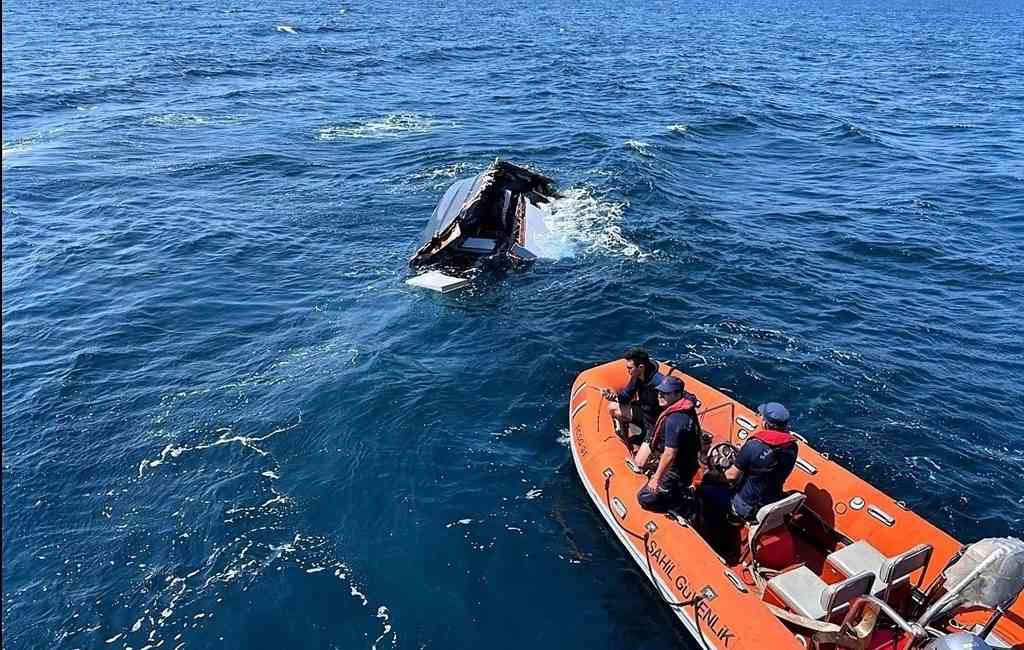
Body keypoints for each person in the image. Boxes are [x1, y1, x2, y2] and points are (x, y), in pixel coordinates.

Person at [700, 402, 799, 522]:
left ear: (765, 423)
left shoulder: (753, 446)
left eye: (762, 416)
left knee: (702, 490)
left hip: (745, 507)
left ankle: (710, 524)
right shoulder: (792, 446)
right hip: (771, 500)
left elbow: (731, 476)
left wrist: (711, 473)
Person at [634, 376, 702, 512]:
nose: (660, 395)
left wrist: (656, 478)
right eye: (660, 392)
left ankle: (678, 503)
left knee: (644, 498)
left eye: (665, 393)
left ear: (677, 394)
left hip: (677, 471)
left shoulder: (674, 420)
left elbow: (670, 454)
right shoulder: (687, 408)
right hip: (688, 463)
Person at [600, 347, 664, 449]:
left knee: (640, 461)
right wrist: (613, 396)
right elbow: (626, 396)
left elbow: (675, 397)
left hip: (655, 421)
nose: (628, 371)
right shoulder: (636, 377)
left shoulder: (659, 382)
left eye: (630, 368)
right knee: (613, 407)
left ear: (641, 367)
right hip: (644, 413)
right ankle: (625, 445)